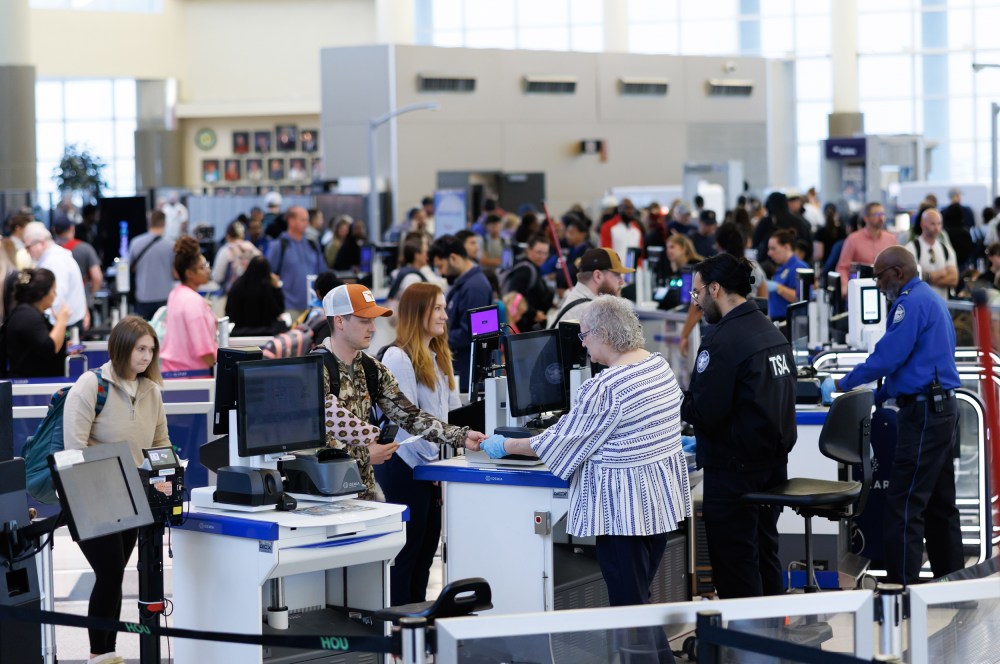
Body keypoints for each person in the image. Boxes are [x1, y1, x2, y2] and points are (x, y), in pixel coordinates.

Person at [471, 296, 691, 616]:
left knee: (628, 615)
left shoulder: (607, 385)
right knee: (640, 604)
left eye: (584, 336)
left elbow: (559, 443)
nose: (584, 345)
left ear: (603, 334)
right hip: (656, 509)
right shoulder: (658, 366)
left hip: (623, 518)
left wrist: (504, 445)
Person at [825, 246, 964, 586]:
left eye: (879, 276)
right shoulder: (928, 298)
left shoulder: (909, 304)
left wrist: (843, 383)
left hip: (925, 413)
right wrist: (880, 394)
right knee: (940, 504)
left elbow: (887, 358)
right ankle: (954, 585)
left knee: (904, 504)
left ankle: (902, 591)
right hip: (942, 408)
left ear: (898, 273)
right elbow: (914, 361)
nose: (877, 283)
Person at [681, 252, 796, 599]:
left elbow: (704, 411)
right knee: (765, 556)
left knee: (736, 567)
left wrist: (681, 400)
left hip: (734, 476)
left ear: (715, 289)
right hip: (772, 470)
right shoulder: (770, 331)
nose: (696, 302)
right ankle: (773, 639)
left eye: (697, 292)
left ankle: (746, 648)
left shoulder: (722, 341)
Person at [63, 316, 170, 664]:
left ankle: (105, 654)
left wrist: (163, 474)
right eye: (140, 348)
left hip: (131, 496)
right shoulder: (89, 385)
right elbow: (72, 449)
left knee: (113, 578)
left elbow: (160, 442)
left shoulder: (152, 391)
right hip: (90, 498)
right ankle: (100, 654)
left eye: (150, 350)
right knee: (109, 574)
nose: (145, 356)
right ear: (121, 347)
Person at [319, 284, 486, 499]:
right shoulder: (315, 369)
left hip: (363, 496)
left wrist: (461, 436)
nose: (373, 328)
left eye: (373, 320)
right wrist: (363, 454)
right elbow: (309, 446)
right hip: (324, 499)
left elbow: (409, 415)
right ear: (339, 321)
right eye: (364, 320)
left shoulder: (372, 368)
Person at [375, 283, 462, 606]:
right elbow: (409, 420)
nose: (445, 315)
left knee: (426, 553)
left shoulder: (438, 356)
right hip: (405, 467)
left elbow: (448, 412)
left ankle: (417, 625)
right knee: (407, 555)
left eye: (443, 308)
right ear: (418, 313)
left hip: (430, 469)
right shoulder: (399, 357)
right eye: (437, 308)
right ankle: (399, 632)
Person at [431, 234, 492, 390]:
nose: (441, 273)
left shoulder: (476, 288)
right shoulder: (461, 284)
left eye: (440, 266)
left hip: (468, 373)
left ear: (453, 258)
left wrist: (435, 339)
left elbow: (475, 334)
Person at [160, 237, 217, 372]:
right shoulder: (193, 301)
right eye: (203, 267)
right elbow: (204, 350)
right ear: (189, 273)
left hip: (173, 373)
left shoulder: (176, 294)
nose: (208, 270)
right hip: (193, 376)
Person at [4, 269, 71, 378]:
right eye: (53, 290)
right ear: (43, 294)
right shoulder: (27, 316)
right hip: (31, 387)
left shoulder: (30, 314)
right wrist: (62, 320)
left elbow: (41, 343)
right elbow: (49, 347)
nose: (55, 295)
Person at [23, 221, 89, 331]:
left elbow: (56, 299)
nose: (27, 252)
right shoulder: (53, 258)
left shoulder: (55, 261)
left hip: (63, 326)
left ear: (41, 243)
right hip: (63, 323)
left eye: (28, 247)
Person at [266, 205, 325, 319]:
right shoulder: (278, 246)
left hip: (313, 307)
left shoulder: (312, 244)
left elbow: (322, 271)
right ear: (291, 221)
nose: (307, 223)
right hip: (288, 308)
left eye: (307, 220)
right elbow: (269, 274)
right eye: (303, 220)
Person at [551, 247, 631, 327]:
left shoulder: (576, 298)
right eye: (617, 275)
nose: (622, 281)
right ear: (598, 276)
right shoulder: (591, 312)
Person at [836, 202, 898, 296]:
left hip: (886, 291)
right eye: (877, 214)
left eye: (882, 214)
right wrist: (845, 286)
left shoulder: (891, 239)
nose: (881, 218)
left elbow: (897, 265)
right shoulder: (853, 239)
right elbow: (842, 267)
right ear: (866, 218)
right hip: (861, 290)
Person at [501, 233, 555, 332]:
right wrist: (534, 314)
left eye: (545, 253)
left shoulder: (534, 267)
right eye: (539, 252)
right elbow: (513, 298)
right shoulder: (525, 270)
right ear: (528, 249)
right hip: (521, 328)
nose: (542, 256)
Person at [52, 214, 103, 315]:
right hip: (82, 304)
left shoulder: (50, 251)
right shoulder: (85, 249)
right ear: (72, 228)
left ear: (54, 230)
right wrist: (91, 295)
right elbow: (97, 277)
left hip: (56, 305)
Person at [129, 210, 175, 320]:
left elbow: (129, 267)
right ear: (164, 223)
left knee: (143, 333)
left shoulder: (136, 243)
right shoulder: (171, 246)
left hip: (143, 296)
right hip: (165, 297)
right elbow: (175, 272)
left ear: (149, 222)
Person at [225, 256, 286, 336]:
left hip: (240, 333)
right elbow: (279, 310)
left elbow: (229, 312)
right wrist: (277, 287)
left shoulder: (237, 286)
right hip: (268, 333)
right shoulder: (270, 287)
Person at [905, 208, 957, 300]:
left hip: (942, 304)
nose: (937, 228)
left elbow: (954, 279)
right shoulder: (911, 248)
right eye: (932, 224)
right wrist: (941, 273)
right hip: (919, 304)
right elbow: (910, 279)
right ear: (922, 225)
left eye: (939, 223)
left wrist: (926, 277)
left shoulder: (946, 249)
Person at [765, 228, 809, 320]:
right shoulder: (782, 267)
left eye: (773, 248)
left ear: (786, 247)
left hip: (789, 321)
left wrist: (779, 288)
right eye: (769, 249)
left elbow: (802, 298)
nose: (769, 253)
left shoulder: (799, 268)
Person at [212, 220, 260, 294]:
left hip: (233, 295)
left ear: (228, 236)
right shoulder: (253, 249)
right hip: (254, 294)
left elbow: (217, 277)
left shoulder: (226, 250)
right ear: (242, 235)